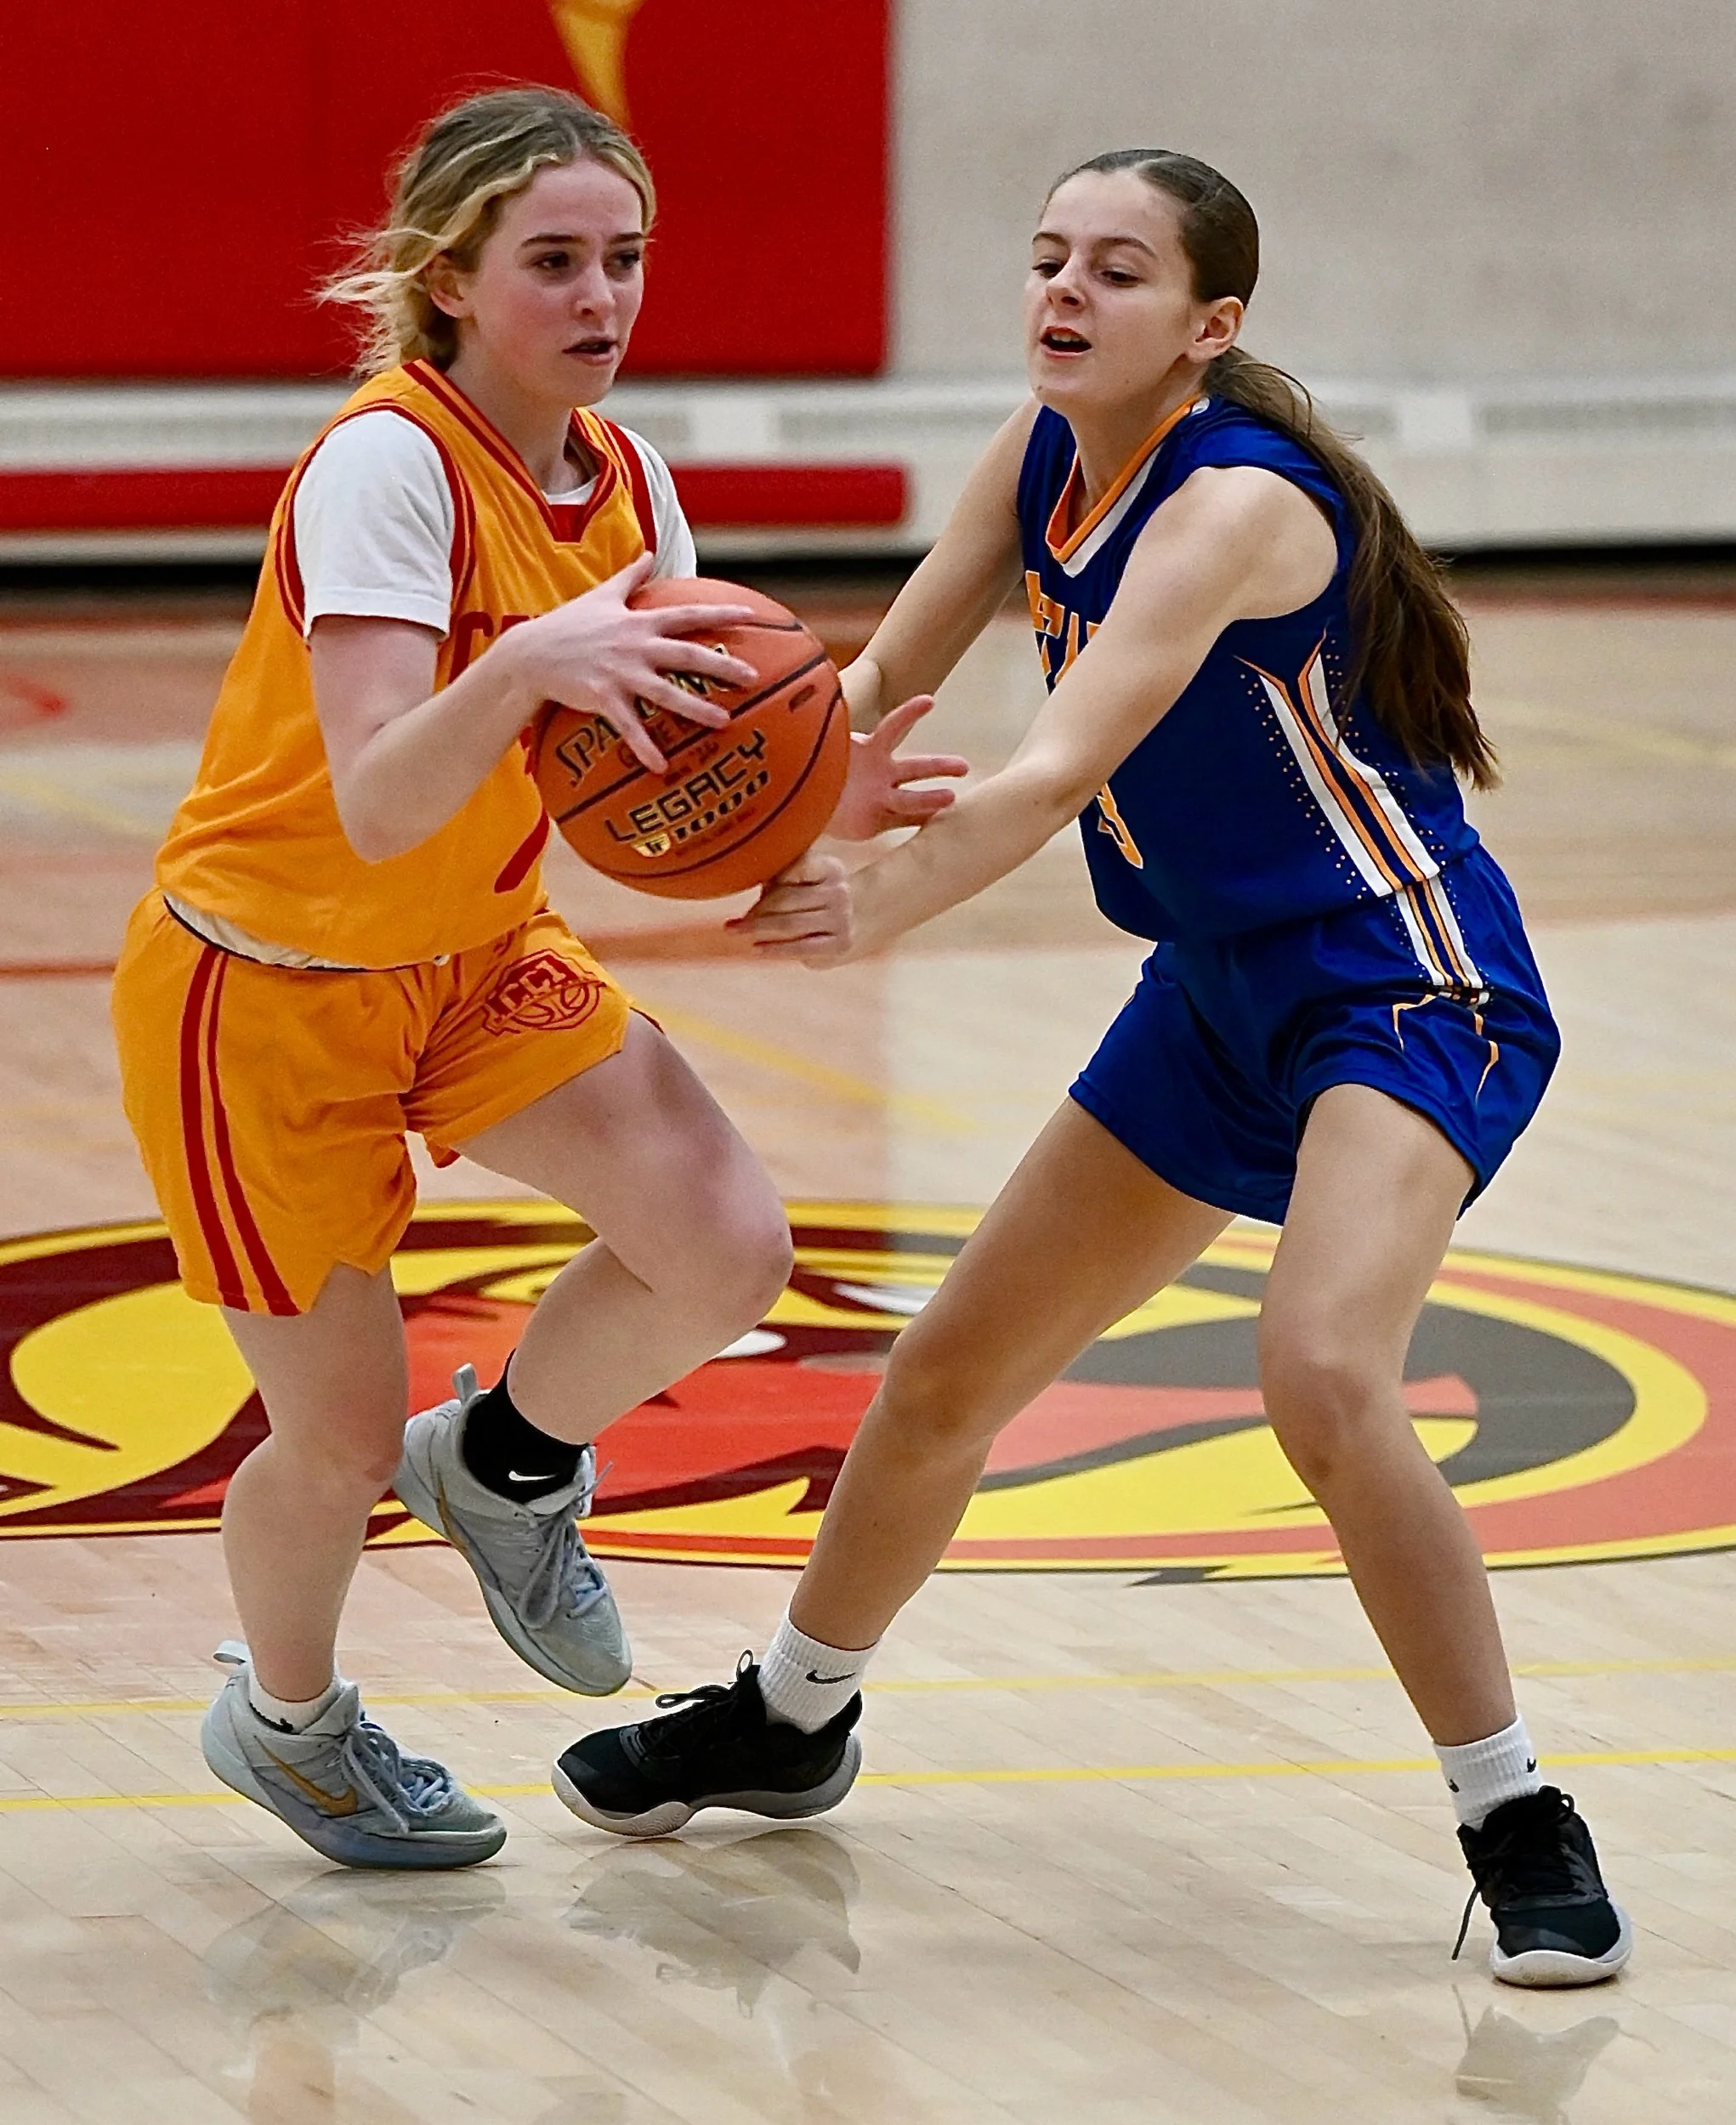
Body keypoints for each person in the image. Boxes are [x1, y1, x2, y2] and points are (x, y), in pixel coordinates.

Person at [553, 149, 1632, 1989]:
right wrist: (747, 784)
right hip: (1214, 990)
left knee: (1321, 1370)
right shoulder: (1041, 453)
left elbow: (1052, 774)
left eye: (1117, 272)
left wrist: (872, 901)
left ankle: (1514, 1807)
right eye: (1048, 257)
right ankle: (793, 1716)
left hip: (1399, 986)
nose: (1063, 292)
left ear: (1210, 325)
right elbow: (859, 693)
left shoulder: (1232, 506)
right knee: (943, 1374)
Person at [110, 85, 962, 1869]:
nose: (601, 296)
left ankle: (502, 1464)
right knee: (335, 1437)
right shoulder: (386, 465)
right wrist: (524, 667)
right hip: (265, 985)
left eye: (623, 258)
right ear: (450, 278)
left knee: (723, 1242)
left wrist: (811, 795)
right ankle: (289, 1724)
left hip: (478, 950)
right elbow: (375, 795)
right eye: (554, 260)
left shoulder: (628, 477)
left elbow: (683, 750)